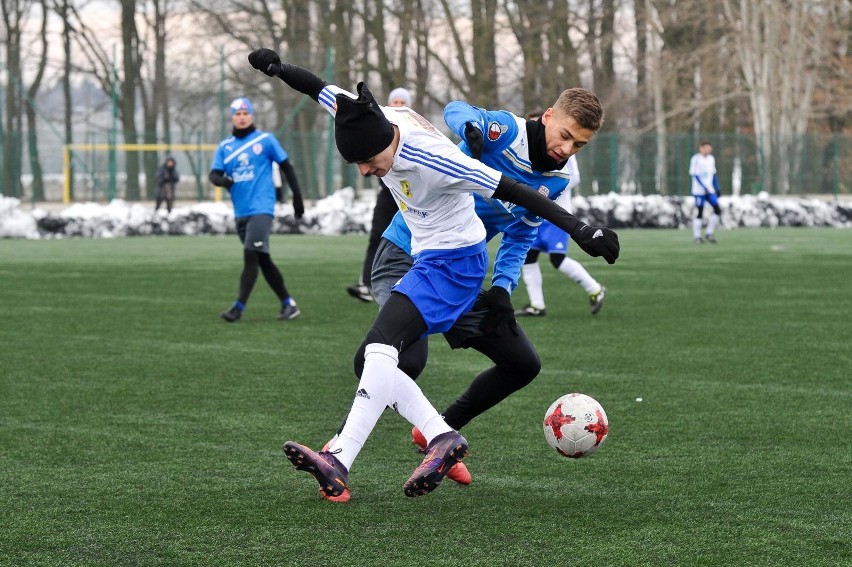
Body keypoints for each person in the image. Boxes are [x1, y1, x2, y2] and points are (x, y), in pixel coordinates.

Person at [248, 47, 618, 502]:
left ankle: (431, 436)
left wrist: (518, 278)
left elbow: (519, 208)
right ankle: (369, 450)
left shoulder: (454, 163)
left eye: (578, 144)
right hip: (412, 253)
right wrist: (280, 68)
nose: (567, 150)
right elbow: (332, 93)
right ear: (546, 118)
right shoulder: (410, 123)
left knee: (493, 361)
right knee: (392, 357)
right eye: (565, 136)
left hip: (451, 261)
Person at [208, 96, 305, 323]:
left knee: (250, 255)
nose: (242, 118)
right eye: (237, 114)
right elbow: (213, 174)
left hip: (262, 208)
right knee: (262, 260)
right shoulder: (225, 147)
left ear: (251, 116)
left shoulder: (266, 140)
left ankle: (238, 308)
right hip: (241, 212)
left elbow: (287, 167)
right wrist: (223, 181)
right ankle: (288, 303)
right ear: (232, 118)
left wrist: (297, 197)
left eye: (245, 113)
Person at [513, 108, 607, 317]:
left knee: (558, 259)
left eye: (537, 122)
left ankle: (595, 289)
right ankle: (537, 305)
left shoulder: (562, 147)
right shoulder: (526, 147)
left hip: (557, 214)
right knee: (528, 257)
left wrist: (545, 189)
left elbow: (574, 177)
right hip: (536, 214)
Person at [346, 87, 413, 303]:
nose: (399, 105)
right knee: (377, 236)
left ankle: (411, 282)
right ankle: (366, 283)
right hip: (388, 194)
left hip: (411, 196)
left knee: (414, 239)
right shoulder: (379, 128)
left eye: (403, 102)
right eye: (395, 101)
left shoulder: (413, 130)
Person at [689, 141, 722, 243]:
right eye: (706, 148)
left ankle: (709, 233)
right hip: (699, 191)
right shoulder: (696, 159)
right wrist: (705, 187)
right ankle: (697, 236)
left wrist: (717, 187)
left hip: (710, 190)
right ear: (701, 148)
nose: (708, 150)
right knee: (700, 212)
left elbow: (713, 174)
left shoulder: (711, 159)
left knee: (717, 209)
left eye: (709, 148)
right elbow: (696, 176)